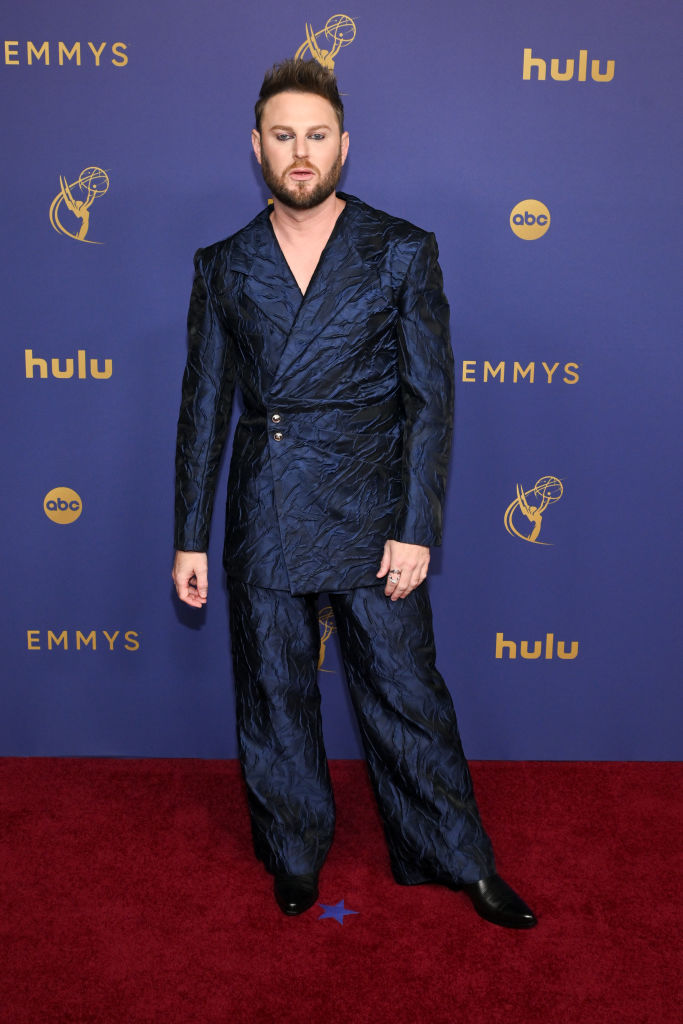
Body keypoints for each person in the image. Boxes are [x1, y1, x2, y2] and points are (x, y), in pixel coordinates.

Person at [173, 59, 537, 929]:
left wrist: (417, 527)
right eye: (283, 136)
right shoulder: (222, 265)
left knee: (406, 695)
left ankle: (457, 858)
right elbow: (202, 408)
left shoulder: (402, 249)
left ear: (345, 145)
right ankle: (293, 852)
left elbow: (428, 402)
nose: (301, 153)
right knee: (272, 692)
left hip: (375, 512)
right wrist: (189, 535)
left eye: (317, 135)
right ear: (256, 147)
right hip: (264, 509)